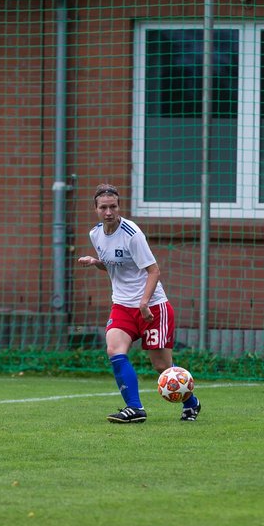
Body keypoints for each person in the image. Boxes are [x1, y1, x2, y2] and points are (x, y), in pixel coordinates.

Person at [77, 182, 202, 424]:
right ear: (95, 209)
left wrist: (144, 303)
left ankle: (191, 402)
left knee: (162, 366)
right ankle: (135, 408)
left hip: (153, 307)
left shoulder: (132, 234)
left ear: (119, 206)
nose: (109, 212)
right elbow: (111, 265)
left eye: (113, 206)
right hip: (122, 305)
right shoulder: (95, 234)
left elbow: (154, 271)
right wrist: (95, 261)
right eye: (103, 207)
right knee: (114, 350)